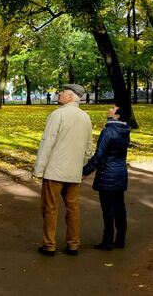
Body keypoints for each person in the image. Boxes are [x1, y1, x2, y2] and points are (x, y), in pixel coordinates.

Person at [33, 84, 93, 256]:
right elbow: (88, 147)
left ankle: (49, 245)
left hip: (54, 170)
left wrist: (39, 169)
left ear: (72, 96)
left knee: (50, 208)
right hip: (74, 171)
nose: (59, 94)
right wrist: (82, 167)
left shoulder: (57, 114)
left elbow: (47, 143)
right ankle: (73, 244)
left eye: (63, 92)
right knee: (73, 208)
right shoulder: (85, 117)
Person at [82, 106, 131, 251]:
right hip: (121, 173)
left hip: (108, 175)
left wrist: (85, 171)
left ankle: (107, 241)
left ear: (117, 115)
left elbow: (99, 156)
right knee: (120, 208)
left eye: (113, 108)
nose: (109, 109)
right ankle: (120, 240)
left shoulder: (108, 131)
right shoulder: (125, 131)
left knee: (108, 210)